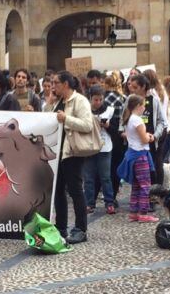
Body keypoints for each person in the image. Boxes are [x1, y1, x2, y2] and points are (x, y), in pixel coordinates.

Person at [51, 71, 94, 244]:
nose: (53, 86)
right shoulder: (58, 101)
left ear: (66, 84)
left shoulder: (80, 100)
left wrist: (66, 119)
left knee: (75, 190)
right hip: (58, 153)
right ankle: (60, 226)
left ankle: (80, 229)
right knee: (58, 190)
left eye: (56, 83)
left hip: (72, 152)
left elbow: (87, 125)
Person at [117, 94, 159, 224]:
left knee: (136, 185)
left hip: (132, 154)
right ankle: (143, 213)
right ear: (138, 106)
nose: (144, 108)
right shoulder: (138, 120)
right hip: (140, 155)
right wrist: (151, 137)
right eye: (144, 105)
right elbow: (144, 139)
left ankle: (134, 212)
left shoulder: (130, 119)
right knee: (145, 185)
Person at [83, 85, 116, 215]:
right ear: (90, 99)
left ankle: (109, 202)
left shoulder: (109, 110)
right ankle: (89, 203)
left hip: (104, 146)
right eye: (95, 99)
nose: (98, 102)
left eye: (100, 99)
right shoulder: (85, 111)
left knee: (105, 177)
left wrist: (108, 126)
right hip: (89, 146)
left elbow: (116, 130)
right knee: (89, 177)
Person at [103, 72, 126, 204]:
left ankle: (106, 196)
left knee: (105, 168)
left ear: (106, 84)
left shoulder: (102, 98)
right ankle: (114, 195)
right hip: (119, 134)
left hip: (105, 132)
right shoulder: (123, 98)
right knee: (116, 167)